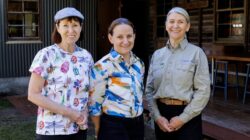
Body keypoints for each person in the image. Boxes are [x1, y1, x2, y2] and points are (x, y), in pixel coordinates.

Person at [28, 7, 93, 140]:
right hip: (52, 131)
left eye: (75, 25)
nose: (71, 30)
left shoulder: (86, 56)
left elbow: (89, 91)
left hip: (78, 128)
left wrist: (85, 113)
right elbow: (33, 94)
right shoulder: (46, 55)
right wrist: (70, 113)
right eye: (65, 25)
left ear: (81, 27)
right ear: (57, 27)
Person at [145, 7, 210, 140]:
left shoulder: (197, 54)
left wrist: (182, 118)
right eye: (172, 21)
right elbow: (149, 90)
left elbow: (203, 91)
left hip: (188, 116)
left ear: (187, 26)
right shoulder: (157, 55)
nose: (175, 25)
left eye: (180, 22)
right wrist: (157, 117)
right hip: (161, 116)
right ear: (166, 25)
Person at [88, 18, 145, 140]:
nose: (125, 41)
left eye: (129, 36)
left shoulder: (139, 63)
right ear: (110, 38)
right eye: (120, 37)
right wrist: (98, 130)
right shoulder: (101, 66)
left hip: (138, 125)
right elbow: (94, 104)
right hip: (113, 127)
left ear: (134, 36)